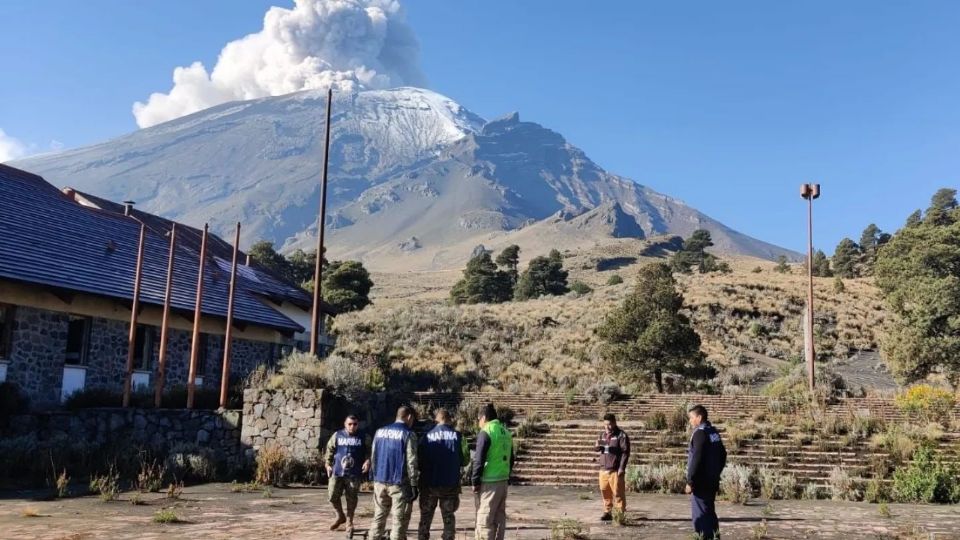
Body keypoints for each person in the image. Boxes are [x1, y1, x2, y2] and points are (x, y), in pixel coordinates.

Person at [418, 408, 470, 540]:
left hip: (429, 484)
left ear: (437, 420)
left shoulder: (426, 436)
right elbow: (465, 460)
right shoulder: (458, 436)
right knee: (448, 517)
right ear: (449, 419)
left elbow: (418, 459)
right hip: (450, 484)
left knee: (425, 517)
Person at [370, 406, 420, 540]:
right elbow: (411, 461)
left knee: (379, 517)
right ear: (409, 417)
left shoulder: (379, 432)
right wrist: (414, 484)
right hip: (399, 483)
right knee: (399, 520)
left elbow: (373, 456)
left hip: (380, 480)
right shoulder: (408, 434)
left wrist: (375, 477)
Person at [471, 403, 513, 540]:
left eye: (478, 420)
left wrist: (475, 480)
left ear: (483, 418)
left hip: (489, 482)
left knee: (485, 520)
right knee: (499, 519)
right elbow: (511, 458)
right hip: (503, 481)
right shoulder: (506, 432)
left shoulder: (486, 432)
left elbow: (479, 459)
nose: (478, 423)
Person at [685, 404, 727, 540]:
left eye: (692, 418)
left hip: (701, 483)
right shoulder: (713, 432)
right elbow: (723, 454)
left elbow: (696, 458)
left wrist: (690, 481)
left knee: (701, 515)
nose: (690, 421)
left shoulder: (700, 433)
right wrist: (716, 472)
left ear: (699, 417)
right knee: (709, 512)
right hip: (712, 481)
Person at [324, 414, 371, 535]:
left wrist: (368, 461)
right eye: (350, 424)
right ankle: (340, 515)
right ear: (345, 424)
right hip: (338, 471)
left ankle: (349, 522)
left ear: (358, 424)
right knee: (332, 495)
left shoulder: (363, 437)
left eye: (355, 424)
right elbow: (330, 449)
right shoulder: (337, 435)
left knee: (351, 498)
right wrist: (328, 464)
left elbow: (370, 451)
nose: (352, 426)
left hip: (354, 473)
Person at [594, 412, 630, 521]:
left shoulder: (621, 435)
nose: (607, 427)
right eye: (605, 424)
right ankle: (607, 512)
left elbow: (625, 452)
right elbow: (600, 450)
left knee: (618, 493)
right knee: (604, 491)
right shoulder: (602, 435)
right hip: (603, 469)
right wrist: (596, 447)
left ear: (614, 423)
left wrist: (621, 468)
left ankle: (620, 514)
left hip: (615, 469)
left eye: (609, 424)